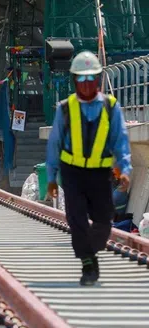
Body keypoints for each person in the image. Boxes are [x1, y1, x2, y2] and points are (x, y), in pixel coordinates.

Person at [46, 50, 132, 286]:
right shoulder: (65, 108)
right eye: (81, 79)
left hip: (100, 174)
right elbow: (54, 143)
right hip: (72, 173)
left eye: (91, 78)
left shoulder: (110, 106)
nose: (86, 84)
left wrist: (125, 169)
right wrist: (51, 178)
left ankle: (90, 250)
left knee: (104, 221)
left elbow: (120, 140)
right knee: (76, 219)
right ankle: (87, 263)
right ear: (75, 80)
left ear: (98, 79)